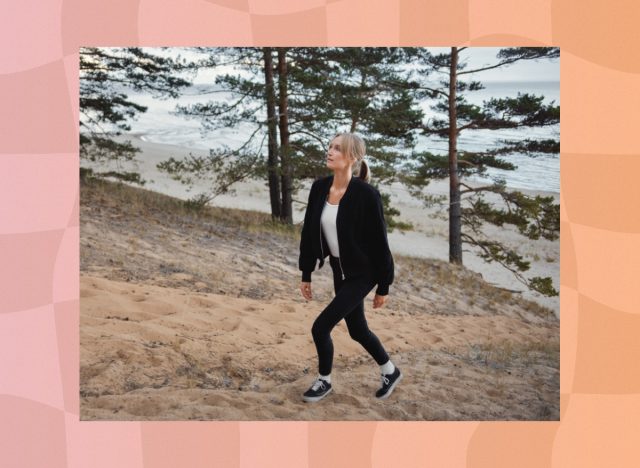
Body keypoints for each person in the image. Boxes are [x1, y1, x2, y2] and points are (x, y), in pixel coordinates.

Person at [298, 132, 402, 403]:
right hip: (338, 270)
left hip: (363, 273)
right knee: (357, 330)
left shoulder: (367, 195)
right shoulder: (319, 188)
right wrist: (306, 272)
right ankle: (390, 371)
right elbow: (309, 232)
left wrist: (384, 285)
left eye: (338, 149)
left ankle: (324, 381)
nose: (330, 152)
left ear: (353, 158)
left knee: (320, 328)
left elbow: (381, 243)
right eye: (330, 147)